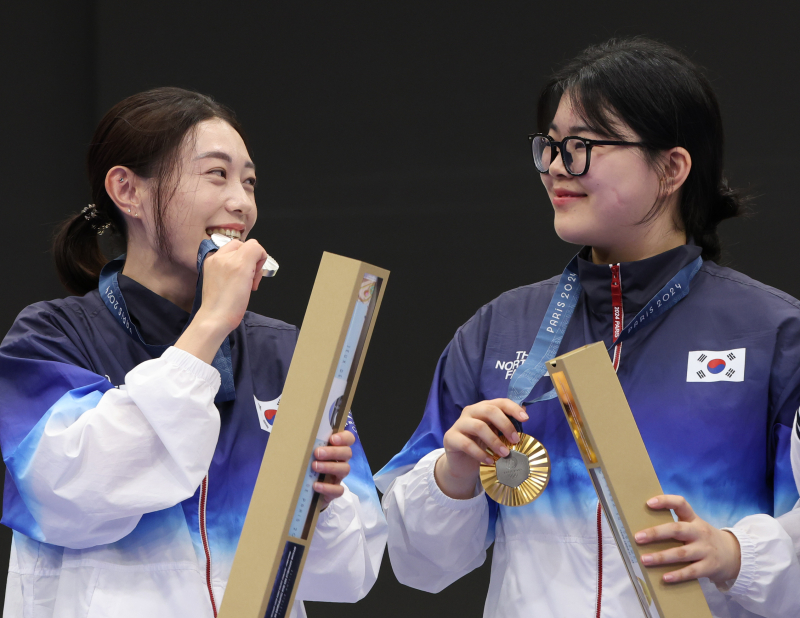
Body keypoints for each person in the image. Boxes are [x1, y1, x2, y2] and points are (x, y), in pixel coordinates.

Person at [375, 38, 800, 618]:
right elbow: (419, 564)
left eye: (582, 146)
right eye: (550, 146)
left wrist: (733, 554)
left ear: (672, 167)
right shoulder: (499, 329)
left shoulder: (775, 334)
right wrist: (453, 475)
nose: (555, 166)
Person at [0, 87, 386, 618]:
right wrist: (209, 324)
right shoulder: (49, 339)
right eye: (216, 175)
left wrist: (325, 501)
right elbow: (67, 495)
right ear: (127, 190)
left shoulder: (288, 351)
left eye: (249, 181)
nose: (242, 202)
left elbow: (349, 575)